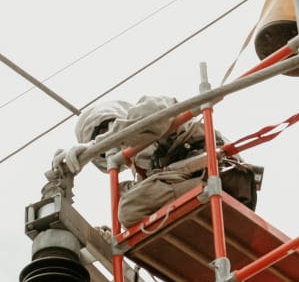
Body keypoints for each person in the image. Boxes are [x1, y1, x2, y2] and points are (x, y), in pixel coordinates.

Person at [58, 96, 262, 229]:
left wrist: (102, 142)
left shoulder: (148, 108)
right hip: (203, 194)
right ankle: (202, 193)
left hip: (216, 170)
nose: (111, 148)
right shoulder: (142, 169)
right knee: (128, 209)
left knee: (128, 207)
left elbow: (149, 120)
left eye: (105, 130)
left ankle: (208, 187)